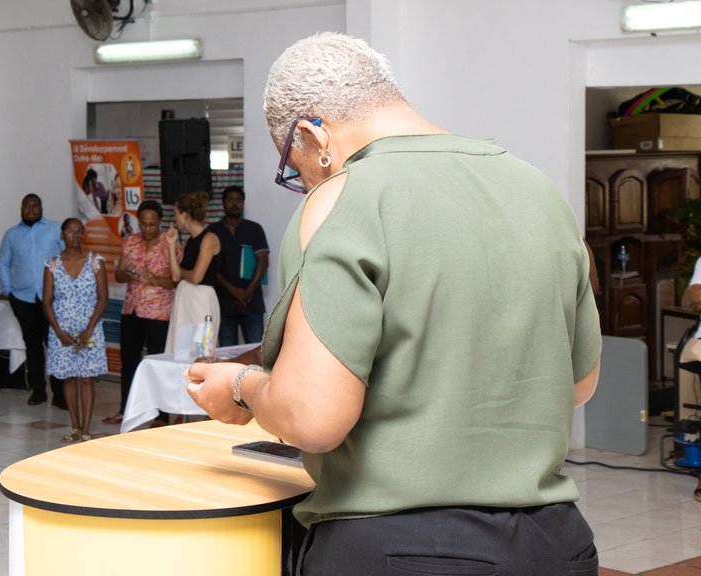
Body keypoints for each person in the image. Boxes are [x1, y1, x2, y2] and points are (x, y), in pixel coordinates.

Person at [186, 32, 603, 575]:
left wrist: (241, 389)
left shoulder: (344, 199)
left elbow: (312, 417)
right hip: (555, 544)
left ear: (314, 135)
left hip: (405, 549)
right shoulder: (538, 189)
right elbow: (577, 384)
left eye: (297, 167)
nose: (307, 182)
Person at [103, 200, 176, 427]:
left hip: (158, 313)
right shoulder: (131, 242)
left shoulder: (170, 244)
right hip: (132, 309)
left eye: (152, 225)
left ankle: (162, 415)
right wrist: (130, 275)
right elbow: (119, 274)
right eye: (143, 224)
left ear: (160, 222)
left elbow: (175, 280)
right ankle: (126, 410)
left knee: (157, 362)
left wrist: (155, 279)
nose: (147, 229)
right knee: (130, 361)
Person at [41, 218, 108, 443]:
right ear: (62, 235)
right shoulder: (52, 264)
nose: (75, 236)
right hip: (63, 330)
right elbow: (47, 301)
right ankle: (75, 427)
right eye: (70, 232)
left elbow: (103, 298)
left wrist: (90, 328)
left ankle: (87, 429)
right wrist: (58, 332)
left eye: (79, 232)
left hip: (90, 328)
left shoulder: (95, 262)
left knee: (87, 378)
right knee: (68, 378)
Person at [0, 194, 65, 407]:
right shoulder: (11, 235)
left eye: (35, 205)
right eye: (26, 205)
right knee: (33, 345)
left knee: (54, 345)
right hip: (23, 298)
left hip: (51, 298)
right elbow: (3, 263)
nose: (30, 209)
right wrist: (8, 290)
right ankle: (38, 390)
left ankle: (60, 394)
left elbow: (68, 257)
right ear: (21, 208)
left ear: (41, 207)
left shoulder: (55, 229)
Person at [207, 186, 269, 346]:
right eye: (230, 200)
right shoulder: (213, 231)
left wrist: (246, 293)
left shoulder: (254, 229)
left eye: (238, 200)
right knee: (227, 356)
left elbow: (263, 262)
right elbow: (210, 267)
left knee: (257, 352)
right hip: (224, 304)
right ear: (223, 203)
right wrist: (234, 291)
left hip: (252, 303)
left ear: (243, 203)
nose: (234, 203)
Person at [164, 191, 221, 358]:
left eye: (175, 213)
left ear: (184, 214)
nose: (175, 218)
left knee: (200, 349)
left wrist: (182, 273)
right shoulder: (189, 240)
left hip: (201, 299)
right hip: (185, 298)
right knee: (180, 350)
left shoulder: (209, 238)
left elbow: (197, 277)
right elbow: (175, 276)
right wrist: (171, 245)